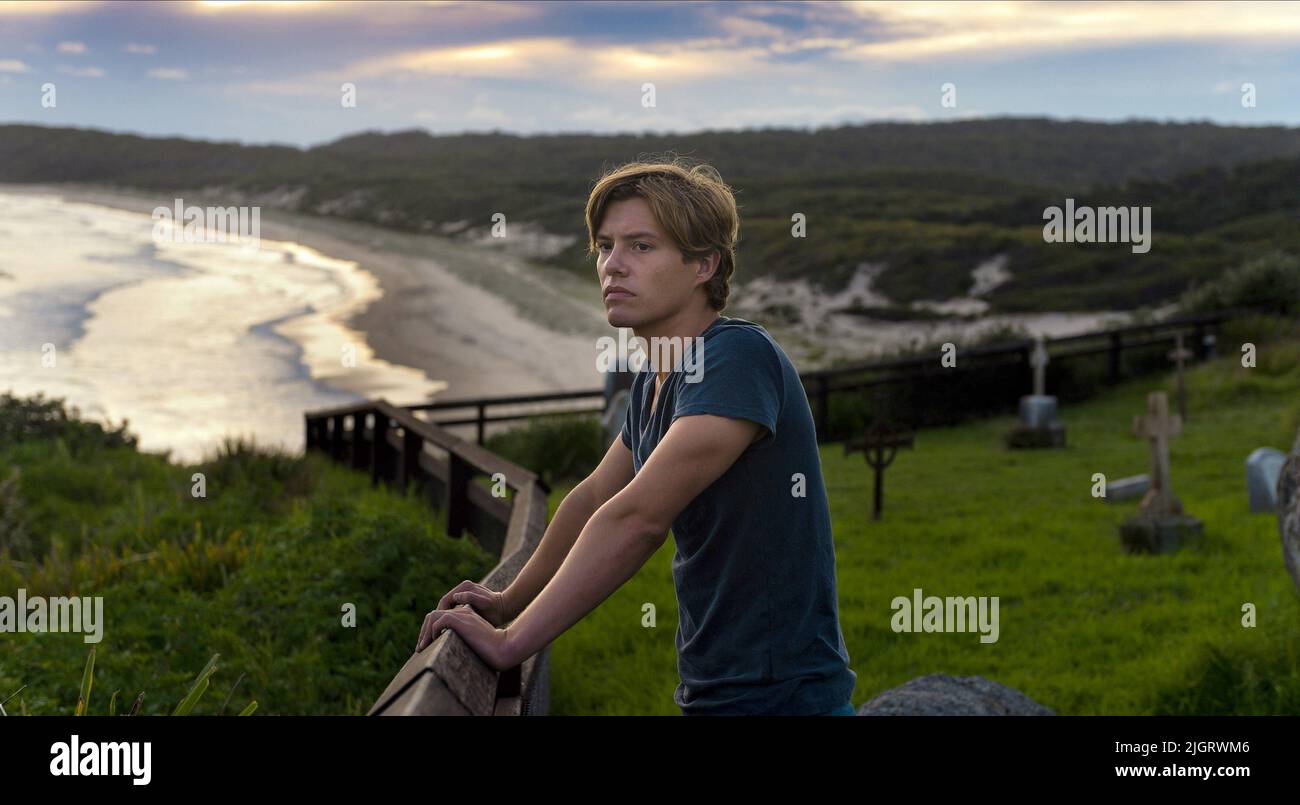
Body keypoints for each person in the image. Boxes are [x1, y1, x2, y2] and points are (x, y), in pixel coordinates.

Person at [417, 157, 856, 716]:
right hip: (715, 686)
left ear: (704, 264)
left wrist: (511, 644)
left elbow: (638, 519)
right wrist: (507, 601)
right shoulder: (657, 375)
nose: (612, 266)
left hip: (784, 696)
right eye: (605, 246)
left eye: (641, 247)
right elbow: (594, 497)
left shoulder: (737, 359)